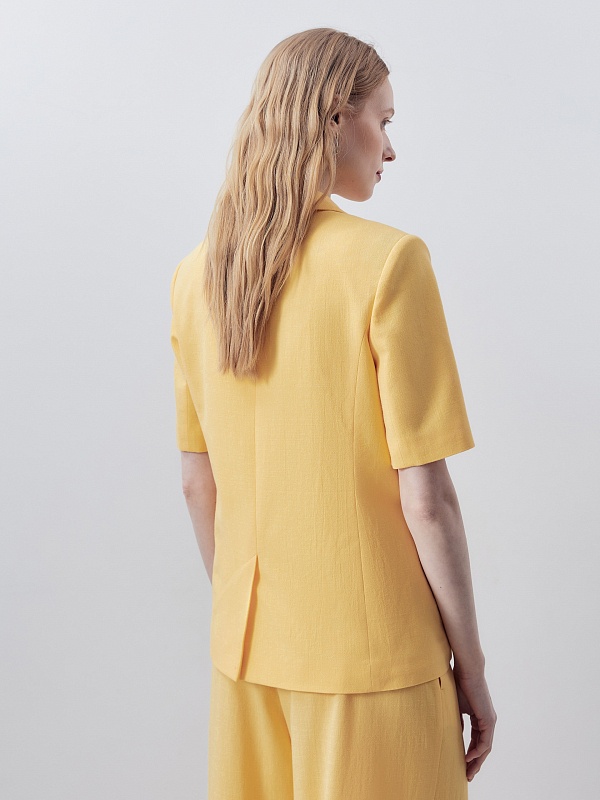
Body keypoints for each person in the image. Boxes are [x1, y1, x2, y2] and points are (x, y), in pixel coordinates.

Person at [170, 27, 496, 800]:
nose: (390, 148)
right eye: (384, 120)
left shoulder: (196, 276)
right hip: (374, 663)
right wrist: (473, 672)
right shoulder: (389, 263)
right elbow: (427, 499)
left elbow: (197, 484)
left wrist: (253, 618)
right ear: (334, 115)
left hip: (246, 659)